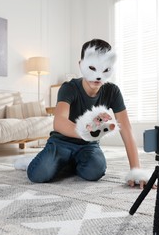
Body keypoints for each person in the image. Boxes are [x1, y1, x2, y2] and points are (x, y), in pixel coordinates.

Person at [26, 39, 149, 188]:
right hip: (61, 142)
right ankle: (52, 160)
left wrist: (136, 171)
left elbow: (126, 129)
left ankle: (68, 164)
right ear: (81, 65)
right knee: (39, 174)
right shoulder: (68, 88)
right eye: (92, 67)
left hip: (87, 146)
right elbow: (59, 122)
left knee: (95, 171)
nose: (97, 76)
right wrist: (87, 131)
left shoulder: (112, 91)